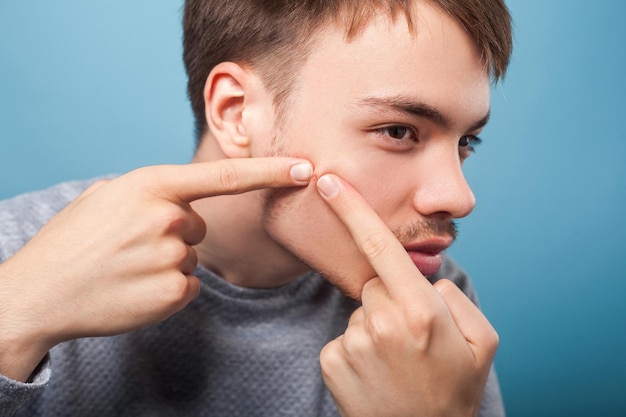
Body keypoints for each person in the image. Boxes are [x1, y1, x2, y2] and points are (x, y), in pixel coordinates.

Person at [0, 0, 513, 415]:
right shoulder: (16, 250)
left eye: (467, 141)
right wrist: (13, 318)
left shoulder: (433, 307)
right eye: (399, 131)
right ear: (237, 113)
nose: (458, 196)